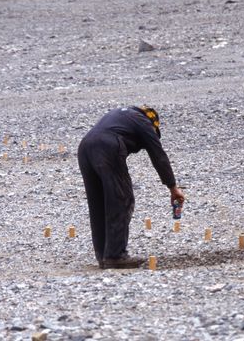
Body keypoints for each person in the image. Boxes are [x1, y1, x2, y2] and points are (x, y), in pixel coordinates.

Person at [78, 105, 185, 268]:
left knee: (98, 204)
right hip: (108, 147)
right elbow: (158, 155)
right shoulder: (144, 121)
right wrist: (172, 187)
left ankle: (103, 256)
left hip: (85, 148)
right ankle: (115, 256)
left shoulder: (122, 115)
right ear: (153, 122)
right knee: (121, 199)